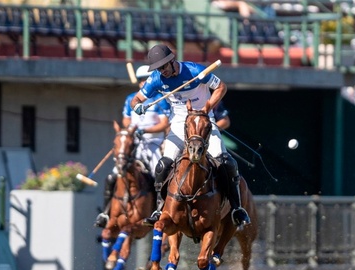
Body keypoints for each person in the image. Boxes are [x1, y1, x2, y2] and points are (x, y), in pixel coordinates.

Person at [130, 44, 250, 228]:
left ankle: (236, 209)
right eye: (158, 68)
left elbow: (221, 87)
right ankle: (159, 208)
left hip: (203, 120)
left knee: (225, 161)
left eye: (163, 66)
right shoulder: (156, 79)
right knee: (163, 165)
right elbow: (135, 99)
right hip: (179, 123)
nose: (162, 71)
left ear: (171, 61)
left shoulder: (195, 70)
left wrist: (206, 108)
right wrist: (138, 106)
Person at [94, 65, 170, 228]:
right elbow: (126, 120)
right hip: (134, 143)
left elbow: (164, 124)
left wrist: (145, 130)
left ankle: (159, 209)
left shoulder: (160, 99)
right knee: (113, 175)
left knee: (158, 174)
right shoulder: (131, 99)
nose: (144, 83)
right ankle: (105, 213)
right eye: (142, 80)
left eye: (147, 80)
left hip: (153, 143)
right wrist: (130, 130)